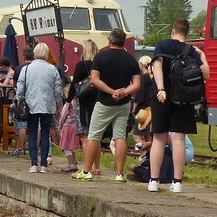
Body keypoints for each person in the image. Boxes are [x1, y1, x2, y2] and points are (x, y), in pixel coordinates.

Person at [147, 18, 210, 192]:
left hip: (161, 97)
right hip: (183, 98)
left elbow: (157, 66)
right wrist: (202, 56)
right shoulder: (192, 50)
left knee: (159, 138)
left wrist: (161, 88)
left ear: (173, 31)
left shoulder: (163, 45)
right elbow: (206, 75)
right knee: (178, 139)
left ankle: (154, 180)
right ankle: (177, 182)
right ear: (187, 34)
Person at [74, 29, 140, 182]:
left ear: (110, 40)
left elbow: (95, 80)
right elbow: (136, 84)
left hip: (104, 102)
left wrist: (112, 92)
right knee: (120, 136)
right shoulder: (131, 59)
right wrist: (123, 92)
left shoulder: (101, 57)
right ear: (123, 41)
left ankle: (86, 171)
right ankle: (120, 174)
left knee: (93, 136)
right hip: (123, 103)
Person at [14, 42, 64, 173]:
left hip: (31, 105)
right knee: (45, 133)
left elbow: (20, 88)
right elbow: (58, 90)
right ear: (47, 53)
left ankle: (33, 164)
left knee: (32, 133)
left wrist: (20, 101)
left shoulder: (26, 69)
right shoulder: (52, 69)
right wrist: (59, 106)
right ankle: (44, 166)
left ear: (35, 53)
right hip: (48, 105)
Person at [130, 55, 154, 152]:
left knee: (136, 136)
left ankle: (143, 152)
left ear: (142, 65)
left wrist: (134, 109)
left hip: (142, 110)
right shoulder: (153, 77)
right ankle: (150, 154)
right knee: (148, 135)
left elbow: (139, 95)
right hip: (151, 109)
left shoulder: (143, 78)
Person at [56, 98, 81, 172]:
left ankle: (71, 164)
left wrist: (60, 124)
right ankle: (74, 163)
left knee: (66, 147)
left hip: (67, 126)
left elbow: (63, 116)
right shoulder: (78, 103)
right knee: (72, 146)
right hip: (75, 126)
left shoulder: (68, 104)